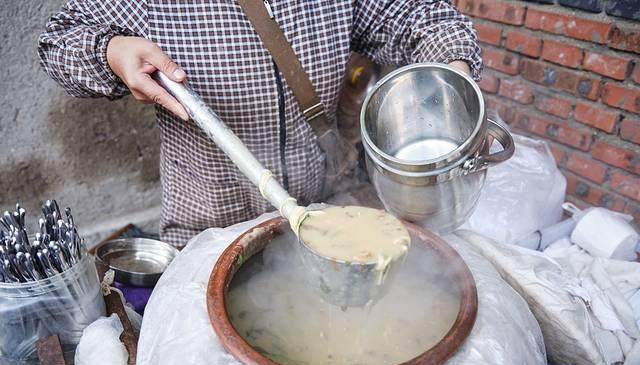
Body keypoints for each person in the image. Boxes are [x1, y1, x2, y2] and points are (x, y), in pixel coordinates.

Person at [39, 0, 481, 247]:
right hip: (208, 231)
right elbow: (59, 39)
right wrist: (110, 50)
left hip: (320, 215)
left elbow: (420, 18)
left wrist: (453, 75)